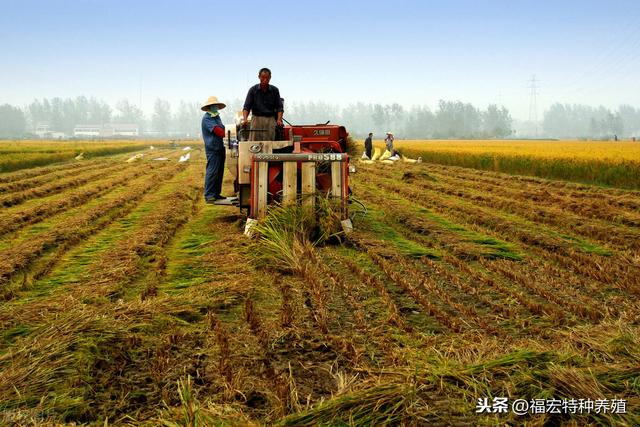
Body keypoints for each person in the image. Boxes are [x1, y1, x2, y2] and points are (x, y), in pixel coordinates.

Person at [242, 67, 284, 141]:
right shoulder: (253, 90)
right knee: (254, 143)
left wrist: (279, 120)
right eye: (263, 77)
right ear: (259, 77)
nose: (265, 80)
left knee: (269, 143)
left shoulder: (275, 90)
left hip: (270, 119)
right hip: (256, 120)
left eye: (267, 78)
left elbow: (280, 108)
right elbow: (246, 107)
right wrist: (245, 119)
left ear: (270, 78)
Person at [201, 96, 227, 203]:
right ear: (209, 107)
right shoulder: (207, 118)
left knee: (219, 172)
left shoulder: (216, 117)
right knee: (212, 171)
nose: (215, 107)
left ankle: (216, 193)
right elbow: (218, 131)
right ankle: (209, 194)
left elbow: (223, 128)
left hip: (220, 147)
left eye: (216, 105)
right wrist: (229, 134)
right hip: (213, 148)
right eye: (213, 105)